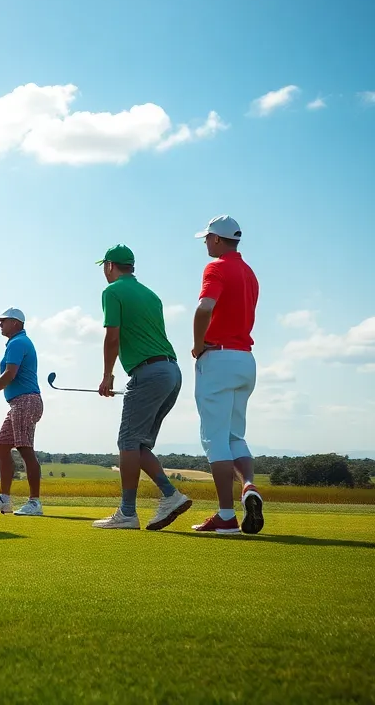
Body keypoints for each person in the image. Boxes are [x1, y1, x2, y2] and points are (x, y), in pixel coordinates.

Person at [90, 245, 194, 531]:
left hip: (148, 372)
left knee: (127, 441)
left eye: (104, 266)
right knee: (138, 443)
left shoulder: (112, 292)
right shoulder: (152, 295)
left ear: (110, 266)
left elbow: (112, 337)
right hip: (171, 372)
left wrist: (107, 375)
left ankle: (127, 512)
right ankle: (171, 495)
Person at [190, 215, 263, 535]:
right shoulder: (249, 272)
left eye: (207, 238)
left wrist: (196, 345)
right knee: (236, 436)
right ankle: (248, 486)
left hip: (218, 358)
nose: (205, 243)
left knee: (214, 439)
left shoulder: (216, 267)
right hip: (246, 360)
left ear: (217, 240)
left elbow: (205, 307)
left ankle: (225, 515)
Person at [0, 307, 44, 517]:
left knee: (25, 450)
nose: (0, 324)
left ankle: (34, 503)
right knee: (2, 448)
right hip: (18, 403)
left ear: (15, 323)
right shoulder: (16, 342)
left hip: (26, 401)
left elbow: (10, 374)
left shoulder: (17, 343)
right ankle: (4, 500)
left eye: (3, 321)